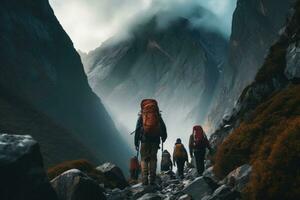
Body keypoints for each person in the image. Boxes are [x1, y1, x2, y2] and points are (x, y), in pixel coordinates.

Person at [134, 99, 167, 185]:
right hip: (155, 140)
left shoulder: (142, 116)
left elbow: (137, 130)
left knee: (144, 158)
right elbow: (163, 127)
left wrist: (136, 142)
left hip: (144, 140)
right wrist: (163, 137)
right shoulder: (157, 116)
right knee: (153, 158)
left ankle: (145, 178)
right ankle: (152, 178)